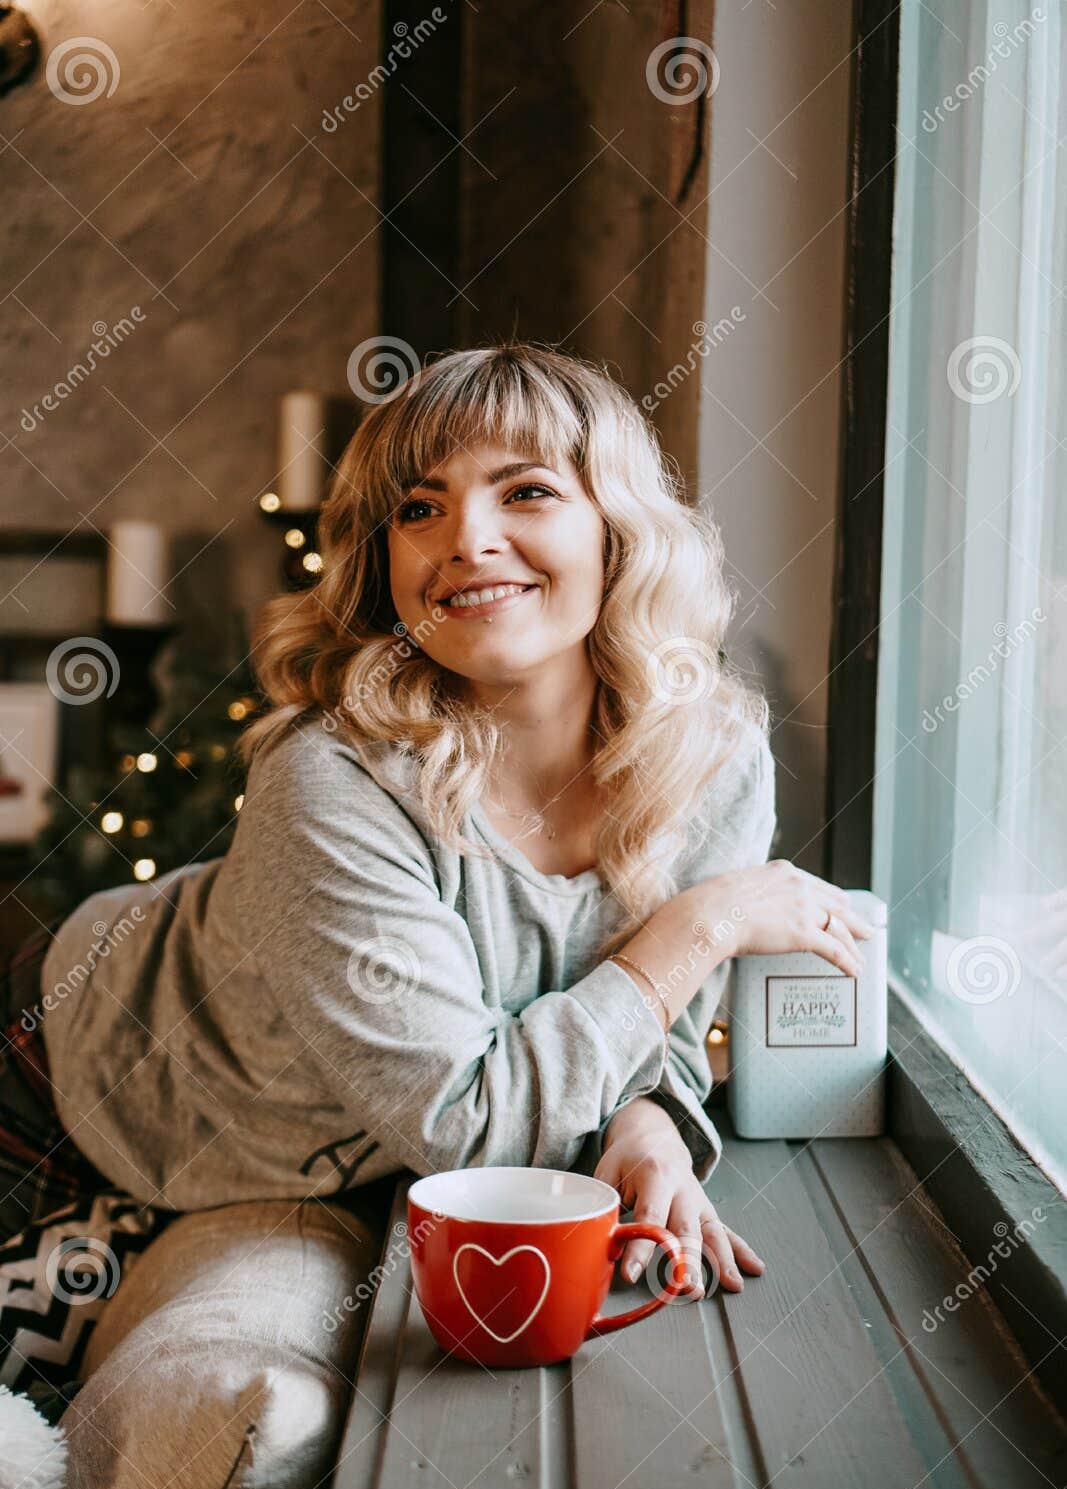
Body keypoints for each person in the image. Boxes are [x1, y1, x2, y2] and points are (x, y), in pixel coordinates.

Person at [4, 343, 872, 1379]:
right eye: (419, 508)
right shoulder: (328, 776)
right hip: (70, 1083)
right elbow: (470, 1129)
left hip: (351, 1129)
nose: (466, 539)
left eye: (528, 491)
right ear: (383, 560)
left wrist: (652, 1124)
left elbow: (662, 1034)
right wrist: (702, 925)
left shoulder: (712, 755)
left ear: (620, 533)